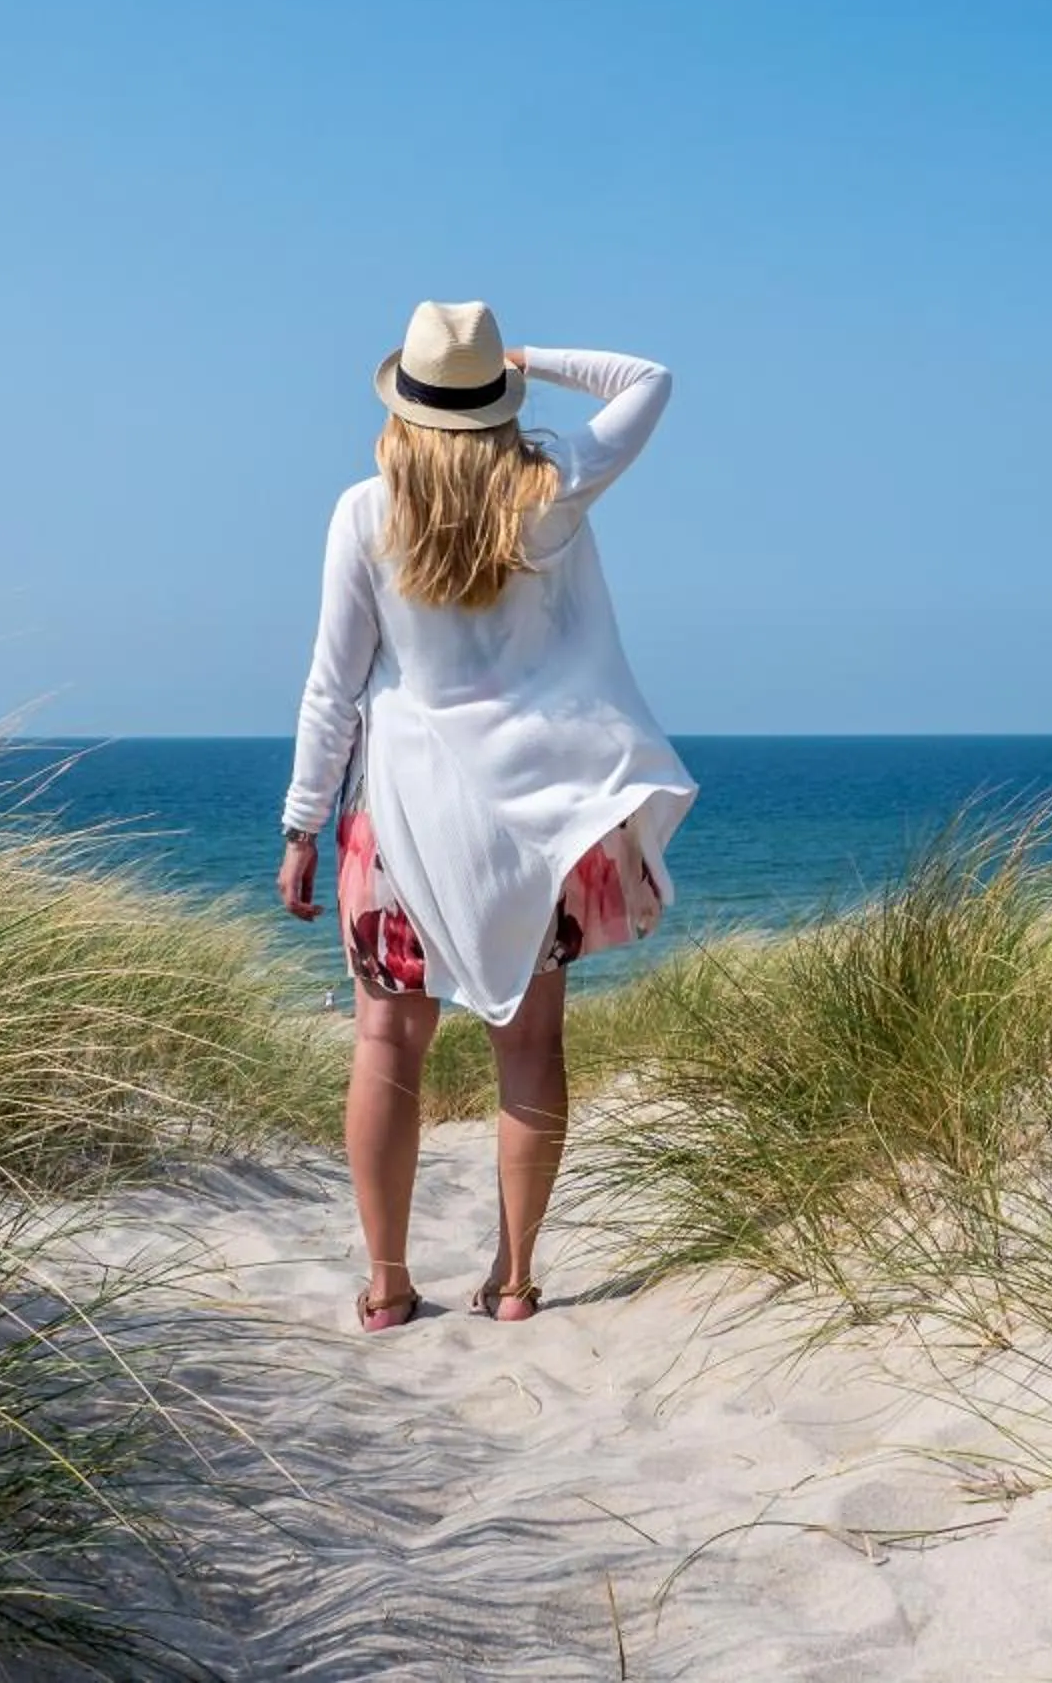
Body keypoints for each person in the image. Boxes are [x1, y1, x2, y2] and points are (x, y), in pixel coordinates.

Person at [277, 300, 695, 1332]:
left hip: (406, 814)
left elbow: (332, 690)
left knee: (386, 1042)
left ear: (406, 404)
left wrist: (298, 825)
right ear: (498, 403)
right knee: (530, 1043)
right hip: (536, 817)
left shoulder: (365, 512)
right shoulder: (550, 497)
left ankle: (386, 1284)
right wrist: (528, 360)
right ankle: (513, 1281)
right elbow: (649, 379)